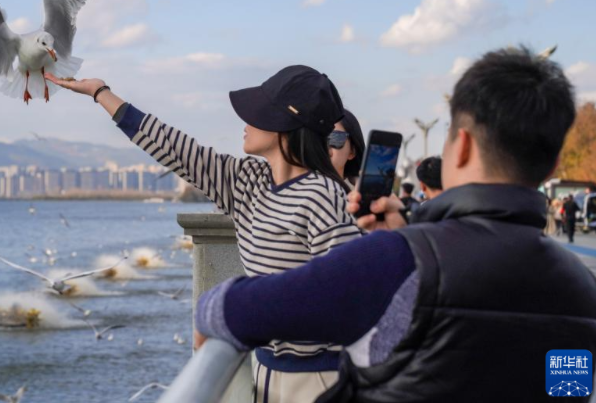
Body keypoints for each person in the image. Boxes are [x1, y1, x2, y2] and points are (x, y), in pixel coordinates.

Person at [193, 46, 596, 402]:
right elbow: (565, 394)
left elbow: (242, 310)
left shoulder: (394, 261)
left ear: (463, 145)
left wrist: (210, 304)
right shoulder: (579, 290)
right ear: (553, 165)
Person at [47, 65, 361, 403]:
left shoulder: (325, 196)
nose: (245, 122)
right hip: (267, 373)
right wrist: (100, 93)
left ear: (286, 124)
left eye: (257, 112)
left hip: (318, 379)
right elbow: (173, 147)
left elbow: (348, 298)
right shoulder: (248, 181)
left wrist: (233, 306)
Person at [328, 109, 365, 188]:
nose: (324, 148)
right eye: (317, 139)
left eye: (335, 138)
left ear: (352, 151)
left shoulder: (363, 194)